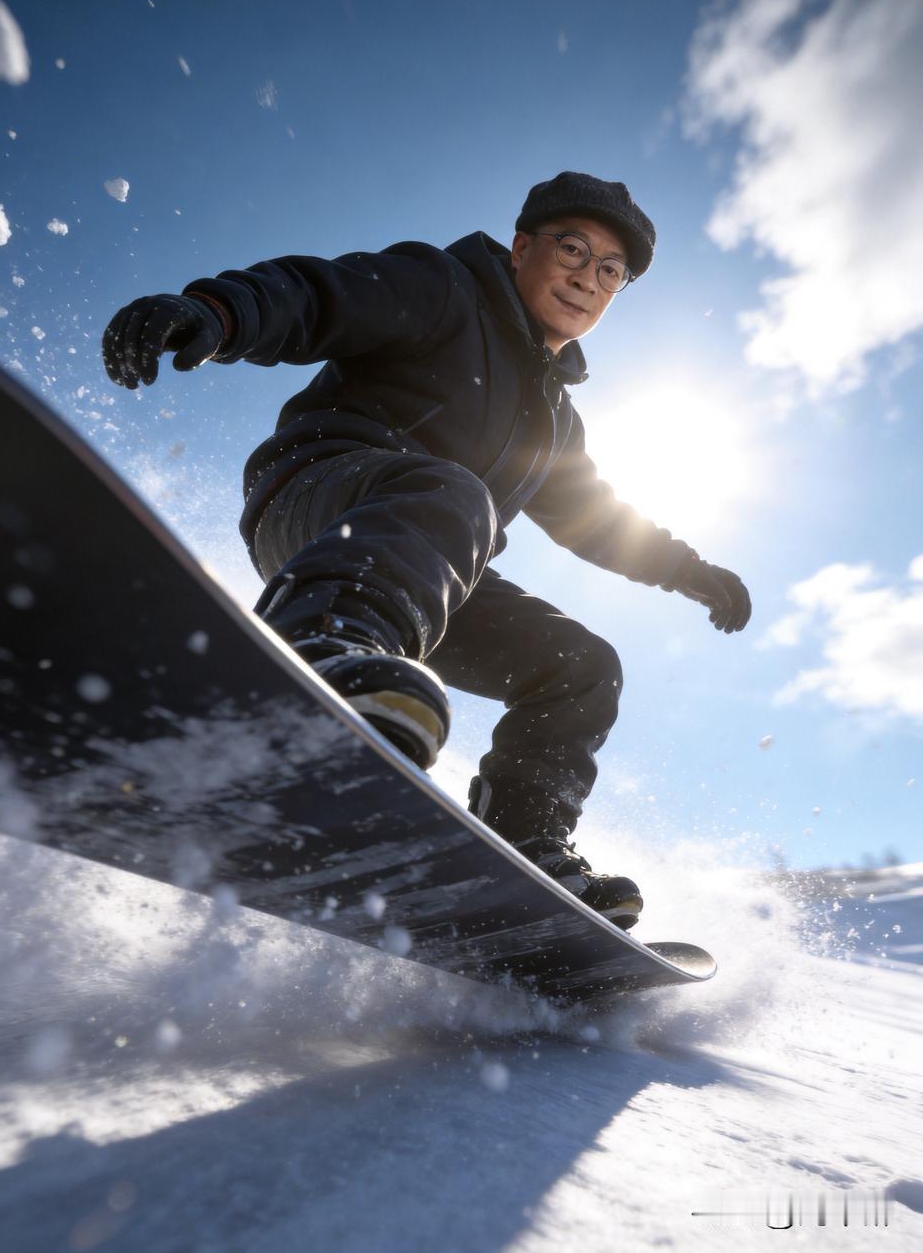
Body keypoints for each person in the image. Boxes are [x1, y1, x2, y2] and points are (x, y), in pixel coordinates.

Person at [101, 171, 751, 929]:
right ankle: (322, 663)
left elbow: (598, 521)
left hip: (427, 567)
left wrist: (692, 573)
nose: (587, 278)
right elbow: (319, 296)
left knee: (582, 664)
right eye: (573, 249)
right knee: (453, 496)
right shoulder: (445, 288)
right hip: (320, 504)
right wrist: (214, 311)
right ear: (520, 247)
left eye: (610, 272)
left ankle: (526, 839)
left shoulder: (555, 422)